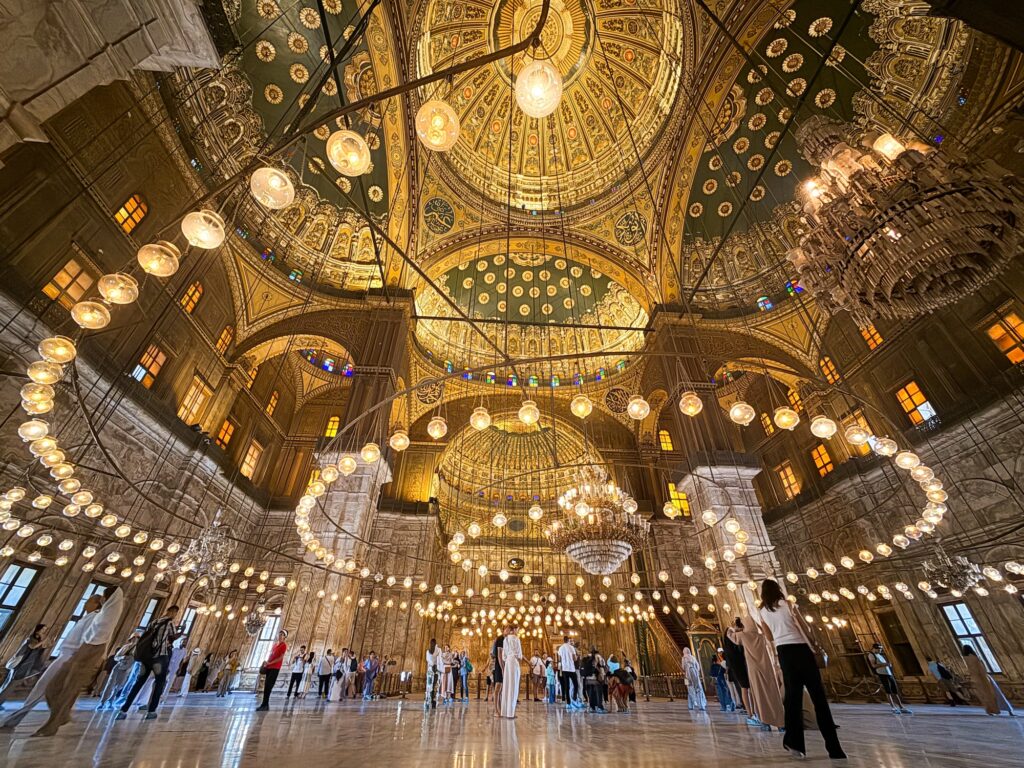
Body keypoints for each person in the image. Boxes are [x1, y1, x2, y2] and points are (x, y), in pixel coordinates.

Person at [3, 586, 123, 736]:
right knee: (48, 689)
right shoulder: (90, 617)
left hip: (72, 657)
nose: (86, 603)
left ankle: (34, 721)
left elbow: (91, 641)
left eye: (90, 601)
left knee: (46, 688)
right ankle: (47, 718)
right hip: (67, 656)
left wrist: (75, 660)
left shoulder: (96, 617)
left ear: (100, 602)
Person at [758, 579, 845, 760]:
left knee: (793, 699)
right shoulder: (788, 604)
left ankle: (795, 744)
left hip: (783, 653)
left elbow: (769, 637)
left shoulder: (762, 612)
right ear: (778, 590)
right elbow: (803, 627)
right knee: (818, 697)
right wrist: (813, 640)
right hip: (801, 649)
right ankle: (834, 748)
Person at [115, 604, 180, 721]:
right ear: (174, 612)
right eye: (175, 613)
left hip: (147, 657)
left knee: (138, 682)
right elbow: (172, 637)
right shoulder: (169, 623)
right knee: (159, 683)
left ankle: (123, 710)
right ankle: (151, 711)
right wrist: (179, 632)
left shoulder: (154, 622)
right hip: (159, 657)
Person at [732, 615, 785, 729]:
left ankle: (764, 721)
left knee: (759, 694)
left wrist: (736, 629)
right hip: (767, 667)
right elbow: (768, 635)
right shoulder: (760, 637)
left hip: (754, 669)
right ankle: (780, 722)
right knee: (772, 693)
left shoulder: (743, 636)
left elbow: (729, 635)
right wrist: (759, 625)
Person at [0, 623, 47, 708]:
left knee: (9, 684)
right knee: (10, 685)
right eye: (42, 630)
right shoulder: (31, 638)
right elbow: (32, 646)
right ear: (37, 630)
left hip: (24, 665)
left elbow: (37, 651)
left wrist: (43, 643)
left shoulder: (37, 640)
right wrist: (43, 641)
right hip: (20, 665)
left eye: (45, 630)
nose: (43, 632)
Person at [962, 645, 1015, 716]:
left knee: (984, 697)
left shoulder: (965, 659)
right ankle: (1008, 711)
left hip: (975, 680)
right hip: (984, 678)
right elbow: (982, 669)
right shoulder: (975, 657)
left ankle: (990, 711)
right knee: (996, 694)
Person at [98, 630, 141, 709]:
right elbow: (116, 657)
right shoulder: (125, 647)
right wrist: (122, 657)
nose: (135, 639)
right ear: (131, 638)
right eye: (134, 637)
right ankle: (102, 702)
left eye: (137, 637)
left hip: (127, 669)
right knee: (110, 684)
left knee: (118, 686)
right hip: (118, 667)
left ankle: (110, 701)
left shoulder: (139, 649)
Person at [868, 642, 911, 714]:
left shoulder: (879, 655)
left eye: (881, 649)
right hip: (882, 674)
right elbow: (873, 666)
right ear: (874, 648)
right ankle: (893, 707)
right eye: (879, 649)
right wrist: (885, 664)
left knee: (895, 691)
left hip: (888, 673)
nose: (880, 650)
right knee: (888, 691)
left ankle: (901, 707)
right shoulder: (871, 655)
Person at [255, 629, 288, 711]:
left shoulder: (283, 645)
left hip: (275, 668)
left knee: (268, 686)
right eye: (279, 634)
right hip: (269, 667)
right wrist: (267, 662)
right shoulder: (275, 645)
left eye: (282, 634)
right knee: (266, 686)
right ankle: (265, 704)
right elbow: (271, 654)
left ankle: (265, 705)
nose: (280, 635)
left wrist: (270, 663)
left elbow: (280, 658)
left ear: (285, 637)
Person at [723, 620, 750, 712]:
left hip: (736, 666)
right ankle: (748, 709)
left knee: (742, 688)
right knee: (743, 687)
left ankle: (748, 709)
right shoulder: (733, 645)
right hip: (739, 666)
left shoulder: (729, 650)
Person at [498, 626, 522, 718]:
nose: (517, 631)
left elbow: (503, 656)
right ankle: (511, 713)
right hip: (514, 662)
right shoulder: (516, 639)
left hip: (507, 662)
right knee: (514, 686)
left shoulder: (505, 640)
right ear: (513, 630)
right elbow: (519, 654)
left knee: (507, 686)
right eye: (517, 630)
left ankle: (504, 712)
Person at [557, 635, 581, 709]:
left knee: (567, 686)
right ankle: (574, 699)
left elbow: (559, 659)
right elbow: (574, 659)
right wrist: (577, 656)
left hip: (564, 669)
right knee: (576, 685)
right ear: (568, 640)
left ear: (563, 640)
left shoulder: (560, 648)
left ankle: (568, 703)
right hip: (571, 668)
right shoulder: (571, 647)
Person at [580, 646, 606, 713]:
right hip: (596, 678)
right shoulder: (598, 657)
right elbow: (602, 665)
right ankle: (600, 707)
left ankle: (592, 707)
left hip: (588, 679)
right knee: (598, 693)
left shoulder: (587, 657)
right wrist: (603, 676)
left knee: (590, 693)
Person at [681, 647, 706, 711]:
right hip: (695, 675)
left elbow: (683, 667)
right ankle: (701, 705)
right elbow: (698, 667)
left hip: (687, 675)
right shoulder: (693, 657)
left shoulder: (684, 658)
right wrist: (696, 672)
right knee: (698, 689)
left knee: (690, 690)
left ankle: (691, 705)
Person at [490, 630, 505, 717]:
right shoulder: (499, 640)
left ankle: (499, 709)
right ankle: (496, 710)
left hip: (501, 665)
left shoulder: (505, 640)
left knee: (501, 689)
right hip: (497, 667)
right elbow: (493, 655)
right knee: (497, 688)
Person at [424, 639, 438, 709]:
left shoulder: (428, 652)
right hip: (434, 670)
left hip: (430, 669)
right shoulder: (437, 651)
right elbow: (437, 661)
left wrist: (432, 664)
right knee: (433, 685)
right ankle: (432, 701)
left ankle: (427, 700)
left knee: (429, 685)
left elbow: (428, 660)